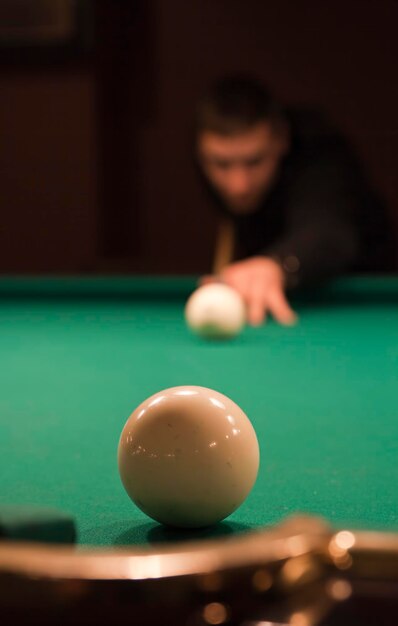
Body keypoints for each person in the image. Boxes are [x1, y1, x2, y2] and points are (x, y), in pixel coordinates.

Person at [194, 75, 396, 326]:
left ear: (281, 140)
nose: (239, 186)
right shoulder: (210, 163)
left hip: (364, 300)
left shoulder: (321, 157)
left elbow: (329, 232)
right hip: (280, 289)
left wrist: (279, 264)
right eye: (222, 164)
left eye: (254, 161)